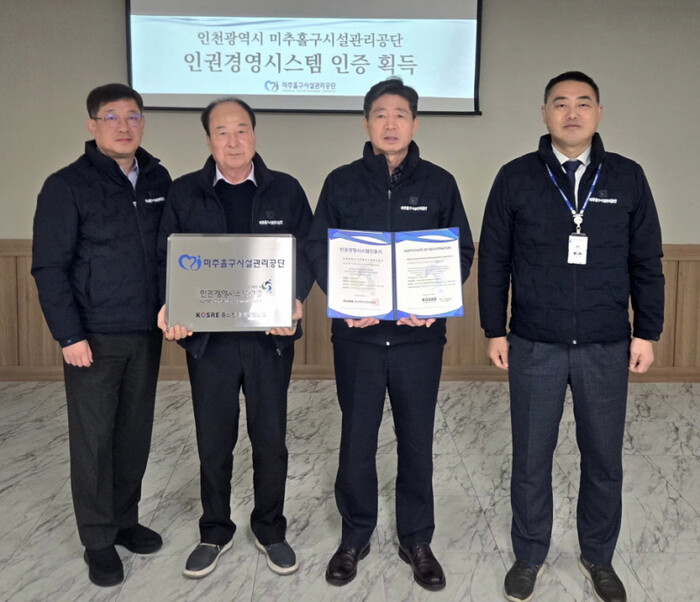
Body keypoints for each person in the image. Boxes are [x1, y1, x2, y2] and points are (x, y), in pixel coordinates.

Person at [478, 71, 664, 602]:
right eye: (560, 103)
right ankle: (529, 555)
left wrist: (647, 332)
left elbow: (646, 261)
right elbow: (494, 260)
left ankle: (598, 556)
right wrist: (495, 329)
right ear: (544, 114)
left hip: (606, 344)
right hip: (534, 343)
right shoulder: (515, 177)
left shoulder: (627, 177)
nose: (572, 112)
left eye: (584, 103)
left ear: (599, 113)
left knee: (603, 460)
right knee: (530, 459)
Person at [306, 78, 474, 591]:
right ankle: (354, 536)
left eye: (400, 114)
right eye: (380, 114)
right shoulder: (340, 182)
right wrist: (345, 299)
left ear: (415, 123)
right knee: (356, 440)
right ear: (366, 124)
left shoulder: (440, 183)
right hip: (357, 339)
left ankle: (416, 539)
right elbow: (318, 248)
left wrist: (432, 305)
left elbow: (461, 252)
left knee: (416, 440)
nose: (390, 123)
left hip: (417, 342)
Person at [157, 97, 314, 579]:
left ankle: (270, 529)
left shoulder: (285, 189)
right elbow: (166, 258)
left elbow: (306, 252)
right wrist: (171, 306)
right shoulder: (184, 193)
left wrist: (296, 299)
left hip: (269, 340)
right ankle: (215, 530)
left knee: (270, 441)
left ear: (254, 135)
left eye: (241, 129)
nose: (232, 140)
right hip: (210, 344)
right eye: (222, 132)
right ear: (209, 140)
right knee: (213, 441)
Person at [31, 83, 171, 587]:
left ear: (142, 123)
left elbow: (171, 253)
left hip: (146, 331)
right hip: (92, 338)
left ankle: (125, 520)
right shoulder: (65, 185)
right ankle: (97, 540)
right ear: (92, 125)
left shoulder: (158, 178)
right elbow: (49, 267)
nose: (123, 126)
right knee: (93, 442)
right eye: (111, 117)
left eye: (132, 116)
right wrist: (69, 335)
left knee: (134, 434)